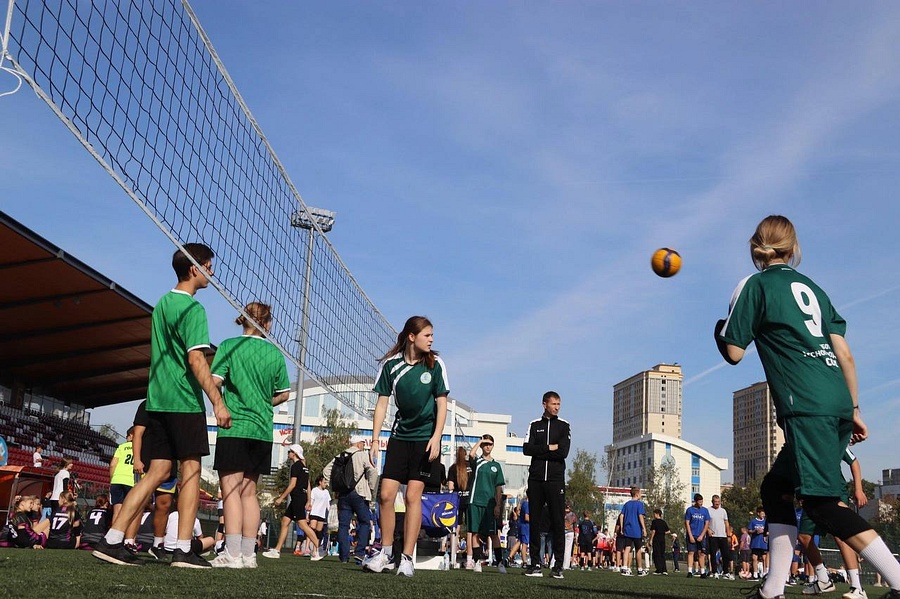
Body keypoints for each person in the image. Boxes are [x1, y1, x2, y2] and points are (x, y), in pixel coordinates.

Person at [716, 215, 900, 599]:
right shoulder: (813, 288)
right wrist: (854, 408)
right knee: (776, 488)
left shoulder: (755, 284)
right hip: (835, 398)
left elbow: (733, 353)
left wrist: (719, 330)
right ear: (793, 247)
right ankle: (772, 590)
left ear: (755, 246)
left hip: (806, 404)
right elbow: (844, 352)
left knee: (820, 503)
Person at [94, 243, 231, 568]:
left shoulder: (162, 305)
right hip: (182, 401)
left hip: (156, 401)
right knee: (192, 470)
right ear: (195, 269)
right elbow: (196, 358)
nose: (212, 272)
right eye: (209, 266)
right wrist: (218, 402)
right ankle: (183, 549)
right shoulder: (193, 310)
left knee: (158, 471)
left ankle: (112, 538)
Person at [362, 316, 449, 578]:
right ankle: (386, 552)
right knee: (386, 495)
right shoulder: (391, 366)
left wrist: (436, 437)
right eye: (427, 335)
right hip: (400, 437)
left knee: (412, 497)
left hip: (425, 440)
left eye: (432, 335)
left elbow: (442, 403)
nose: (431, 339)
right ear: (412, 336)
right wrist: (375, 439)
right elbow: (382, 404)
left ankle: (407, 558)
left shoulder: (435, 365)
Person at [208, 301, 291, 568]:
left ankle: (231, 554)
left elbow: (215, 382)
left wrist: (220, 404)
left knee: (230, 491)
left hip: (235, 426)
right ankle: (248, 555)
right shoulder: (275, 354)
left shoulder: (229, 346)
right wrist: (264, 403)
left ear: (243, 320)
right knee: (249, 493)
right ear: (266, 323)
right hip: (261, 431)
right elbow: (284, 394)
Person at [523, 391, 571, 579]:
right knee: (535, 521)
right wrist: (549, 448)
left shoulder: (564, 426)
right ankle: (535, 564)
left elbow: (563, 452)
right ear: (544, 404)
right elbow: (527, 449)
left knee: (558, 522)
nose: (557, 407)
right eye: (553, 404)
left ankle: (558, 566)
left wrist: (541, 451)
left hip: (555, 480)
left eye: (559, 404)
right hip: (535, 480)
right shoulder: (534, 425)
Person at [323, 436, 378, 564]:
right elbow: (373, 472)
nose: (364, 446)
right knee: (364, 523)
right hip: (359, 493)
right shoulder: (362, 455)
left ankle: (344, 557)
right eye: (363, 444)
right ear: (359, 444)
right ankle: (359, 553)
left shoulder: (340, 455)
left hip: (343, 495)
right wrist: (371, 491)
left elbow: (326, 471)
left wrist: (334, 487)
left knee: (343, 525)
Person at [265, 444, 320, 560]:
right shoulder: (304, 467)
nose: (288, 453)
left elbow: (292, 485)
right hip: (300, 498)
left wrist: (281, 497)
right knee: (285, 521)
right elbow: (308, 485)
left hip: (298, 498)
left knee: (302, 524)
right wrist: (309, 500)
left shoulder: (295, 466)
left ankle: (318, 548)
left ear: (294, 453)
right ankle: (277, 550)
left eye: (290, 451)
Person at [465, 435, 506, 574]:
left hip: (490, 504)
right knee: (475, 533)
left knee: (494, 534)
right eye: (485, 444)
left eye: (490, 444)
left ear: (493, 446)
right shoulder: (477, 462)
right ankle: (477, 562)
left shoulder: (496, 465)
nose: (487, 446)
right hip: (475, 501)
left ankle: (500, 563)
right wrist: (480, 441)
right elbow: (470, 454)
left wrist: (498, 505)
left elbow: (498, 488)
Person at [447, 445, 472, 569]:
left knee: (455, 529)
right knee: (470, 529)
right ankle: (469, 559)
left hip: (457, 499)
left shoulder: (453, 468)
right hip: (469, 500)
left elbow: (451, 487)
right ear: (465, 454)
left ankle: (453, 557)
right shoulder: (470, 467)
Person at [619, 486, 648, 576]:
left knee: (627, 548)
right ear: (637, 494)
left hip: (627, 529)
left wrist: (622, 527)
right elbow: (640, 516)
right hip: (636, 530)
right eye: (640, 494)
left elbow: (621, 515)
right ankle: (639, 569)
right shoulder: (639, 504)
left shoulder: (627, 504)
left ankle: (624, 567)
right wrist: (644, 528)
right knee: (638, 549)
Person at [108, 428, 135, 522]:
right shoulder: (141, 448)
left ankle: (113, 535)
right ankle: (128, 536)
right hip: (131, 481)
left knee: (117, 511)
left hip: (117, 480)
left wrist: (112, 479)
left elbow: (112, 465)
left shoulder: (122, 447)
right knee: (130, 512)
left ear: (131, 436)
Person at [684, 493, 710, 578]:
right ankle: (690, 571)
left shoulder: (705, 511)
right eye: (699, 501)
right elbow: (687, 523)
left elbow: (706, 524)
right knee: (691, 552)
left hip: (701, 536)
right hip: (692, 535)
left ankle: (702, 572)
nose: (701, 503)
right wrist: (690, 535)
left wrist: (702, 535)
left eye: (702, 501)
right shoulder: (690, 510)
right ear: (695, 501)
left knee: (701, 554)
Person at [707, 494, 734, 579]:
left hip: (723, 536)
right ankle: (714, 572)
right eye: (715, 502)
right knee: (713, 555)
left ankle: (726, 572)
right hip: (713, 536)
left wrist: (728, 533)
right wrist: (708, 530)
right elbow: (706, 523)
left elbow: (726, 522)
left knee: (725, 555)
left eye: (718, 502)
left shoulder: (723, 511)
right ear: (712, 502)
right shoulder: (708, 510)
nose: (717, 503)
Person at [309, 475, 331, 556]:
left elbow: (328, 505)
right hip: (314, 512)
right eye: (324, 482)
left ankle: (315, 550)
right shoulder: (314, 490)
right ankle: (308, 547)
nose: (325, 484)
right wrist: (308, 513)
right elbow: (311, 501)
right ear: (320, 482)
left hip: (321, 514)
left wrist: (331, 514)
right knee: (312, 529)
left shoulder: (326, 492)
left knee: (319, 532)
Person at [649, 509, 671, 575]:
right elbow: (668, 531)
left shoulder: (654, 522)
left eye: (654, 514)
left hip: (656, 539)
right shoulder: (663, 522)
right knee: (662, 554)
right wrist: (663, 532)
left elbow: (653, 531)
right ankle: (664, 570)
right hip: (662, 539)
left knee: (657, 554)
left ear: (657, 514)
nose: (653, 515)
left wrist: (651, 539)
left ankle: (659, 569)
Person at [748, 507, 768, 579]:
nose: (763, 515)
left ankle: (764, 573)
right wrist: (755, 531)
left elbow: (769, 532)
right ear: (758, 513)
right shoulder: (753, 521)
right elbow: (749, 531)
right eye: (762, 513)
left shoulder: (766, 522)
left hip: (763, 543)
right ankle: (755, 574)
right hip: (755, 542)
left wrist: (764, 531)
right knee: (754, 558)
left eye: (764, 513)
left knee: (764, 558)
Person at [563, 503, 577, 571]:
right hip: (570, 531)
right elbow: (575, 525)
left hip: (562, 531)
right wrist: (575, 535)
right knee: (568, 550)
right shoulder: (572, 514)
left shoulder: (562, 513)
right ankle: (566, 565)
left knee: (559, 548)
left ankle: (553, 563)